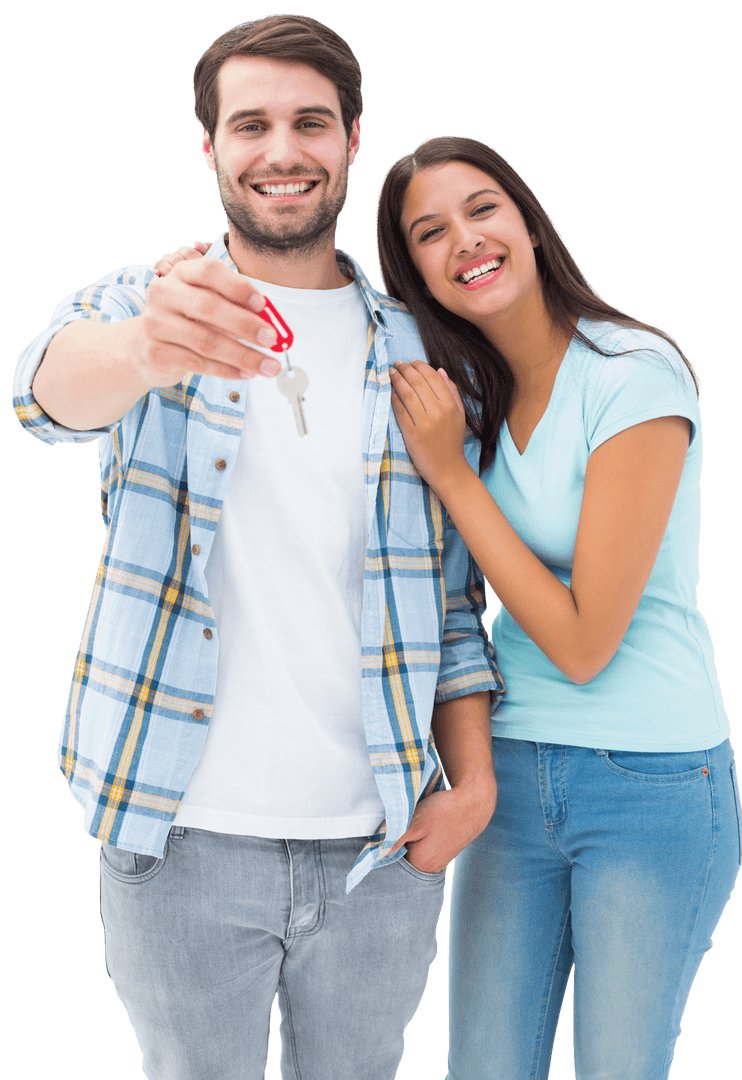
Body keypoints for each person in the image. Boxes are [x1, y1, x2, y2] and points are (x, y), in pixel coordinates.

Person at [11, 20, 504, 1080]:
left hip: (380, 846)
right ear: (210, 148)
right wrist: (145, 346)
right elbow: (42, 394)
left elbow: (455, 603)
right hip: (176, 837)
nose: (281, 149)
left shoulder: (426, 354)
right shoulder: (148, 304)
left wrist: (470, 784)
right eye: (251, 125)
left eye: (308, 123)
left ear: (350, 138)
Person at [374, 136, 742, 1080]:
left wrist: (452, 475)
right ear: (413, 270)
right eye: (429, 231)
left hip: (649, 783)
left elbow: (584, 642)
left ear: (529, 224)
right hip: (506, 771)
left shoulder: (634, 376)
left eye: (482, 208)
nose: (464, 238)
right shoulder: (466, 398)